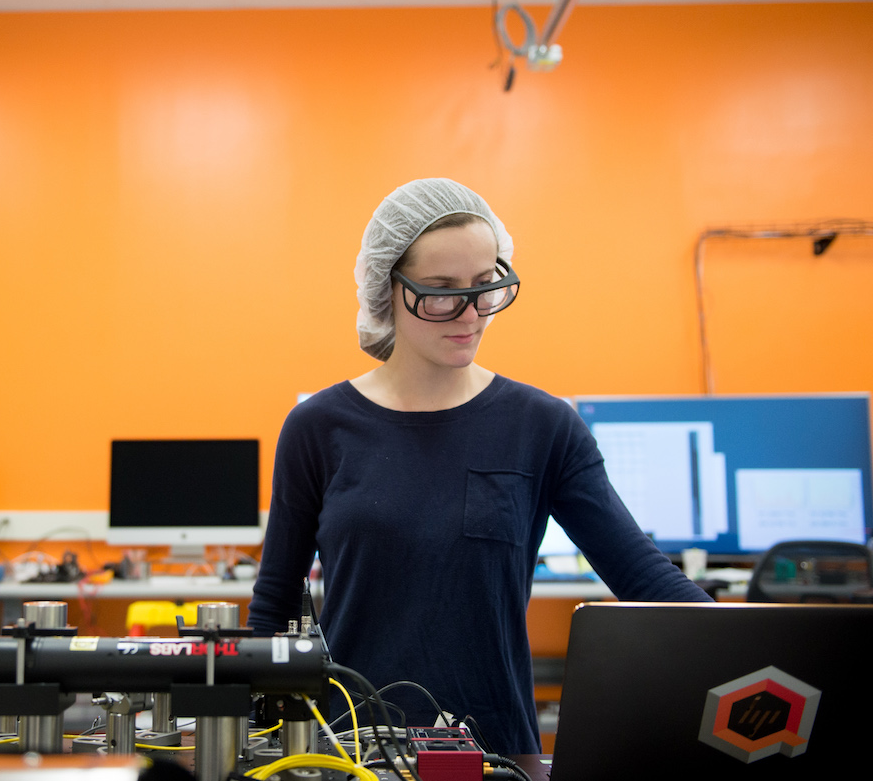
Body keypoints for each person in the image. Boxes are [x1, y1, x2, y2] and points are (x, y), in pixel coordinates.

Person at [246, 178, 713, 754]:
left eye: (485, 286)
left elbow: (644, 579)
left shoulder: (542, 427)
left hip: (498, 753)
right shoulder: (319, 428)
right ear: (386, 287)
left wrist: (756, 652)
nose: (469, 312)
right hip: (357, 754)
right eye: (440, 289)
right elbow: (274, 602)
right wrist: (250, 739)